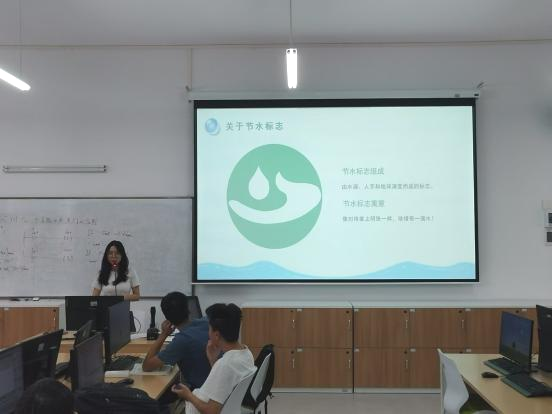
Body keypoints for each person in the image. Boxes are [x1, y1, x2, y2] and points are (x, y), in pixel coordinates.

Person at [171, 303, 256, 414]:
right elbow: (224, 382)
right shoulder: (246, 353)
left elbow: (212, 411)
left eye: (209, 328)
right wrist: (213, 361)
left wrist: (188, 395)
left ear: (216, 335)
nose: (208, 332)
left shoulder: (225, 364)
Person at [142, 292, 211, 391]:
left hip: (200, 392)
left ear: (167, 318)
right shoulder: (207, 322)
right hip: (219, 388)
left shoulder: (182, 340)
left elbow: (147, 366)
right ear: (188, 309)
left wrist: (163, 334)